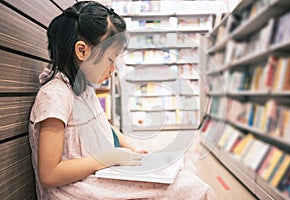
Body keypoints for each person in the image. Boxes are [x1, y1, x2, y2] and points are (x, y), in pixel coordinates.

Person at [28, 1, 216, 199]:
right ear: (82, 51)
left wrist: (131, 147)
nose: (114, 68)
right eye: (110, 59)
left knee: (182, 168)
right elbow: (49, 174)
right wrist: (109, 158)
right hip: (74, 189)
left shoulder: (84, 91)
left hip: (97, 174)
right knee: (190, 188)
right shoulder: (55, 95)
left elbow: (104, 127)